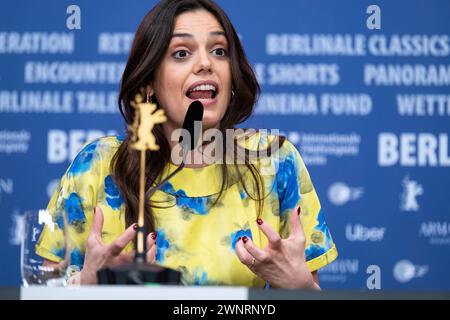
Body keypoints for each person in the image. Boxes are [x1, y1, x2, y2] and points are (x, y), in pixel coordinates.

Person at [36, 0, 338, 289]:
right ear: (150, 83)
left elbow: (308, 289)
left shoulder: (274, 161)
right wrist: (86, 285)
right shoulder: (99, 165)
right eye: (181, 53)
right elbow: (41, 288)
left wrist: (299, 288)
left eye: (219, 51)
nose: (206, 63)